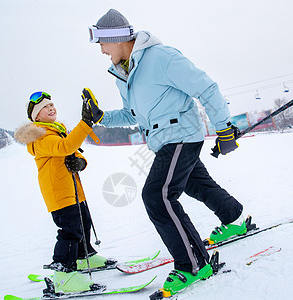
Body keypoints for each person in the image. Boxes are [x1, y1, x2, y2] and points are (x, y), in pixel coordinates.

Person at [85, 9, 248, 295]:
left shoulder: (161, 57)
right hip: (165, 142)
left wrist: (224, 128)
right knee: (195, 185)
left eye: (102, 42)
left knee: (157, 195)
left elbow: (206, 88)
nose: (100, 50)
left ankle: (193, 265)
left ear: (117, 38)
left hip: (181, 136)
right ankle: (233, 216)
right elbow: (130, 114)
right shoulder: (123, 74)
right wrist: (100, 117)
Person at [14, 91, 110, 293]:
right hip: (59, 193)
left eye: (51, 105)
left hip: (73, 190)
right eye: (44, 108)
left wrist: (81, 162)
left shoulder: (57, 131)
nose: (51, 108)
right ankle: (64, 275)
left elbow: (72, 151)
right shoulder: (40, 137)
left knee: (83, 222)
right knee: (70, 230)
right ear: (36, 117)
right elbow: (66, 146)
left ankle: (84, 257)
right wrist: (85, 123)